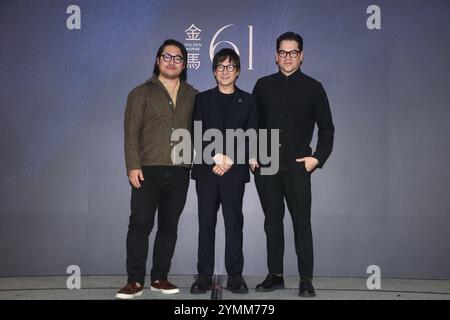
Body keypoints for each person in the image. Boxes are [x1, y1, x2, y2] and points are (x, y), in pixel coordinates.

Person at [252, 32, 334, 297]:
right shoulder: (262, 85)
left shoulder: (314, 87)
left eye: (293, 52)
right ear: (276, 56)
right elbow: (252, 125)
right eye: (283, 52)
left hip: (298, 167)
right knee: (272, 222)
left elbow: (327, 130)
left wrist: (317, 158)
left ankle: (306, 279)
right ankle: (275, 275)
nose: (288, 57)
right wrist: (253, 154)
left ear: (301, 56)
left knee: (301, 223)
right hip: (267, 167)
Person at [116, 39, 198, 299]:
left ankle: (160, 278)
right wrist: (133, 165)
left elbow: (201, 131)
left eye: (177, 58)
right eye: (167, 56)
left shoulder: (193, 95)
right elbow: (131, 132)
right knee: (139, 225)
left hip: (180, 170)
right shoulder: (140, 92)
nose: (172, 61)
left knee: (169, 227)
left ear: (184, 64)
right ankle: (135, 281)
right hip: (147, 170)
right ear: (158, 59)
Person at [190, 48, 258, 294]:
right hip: (207, 171)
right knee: (206, 223)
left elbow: (252, 135)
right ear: (214, 71)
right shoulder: (202, 99)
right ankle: (204, 276)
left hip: (235, 171)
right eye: (220, 67)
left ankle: (235, 276)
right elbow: (196, 134)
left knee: (233, 223)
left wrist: (231, 159)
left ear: (238, 71)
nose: (225, 71)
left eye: (230, 67)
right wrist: (216, 157)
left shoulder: (249, 100)